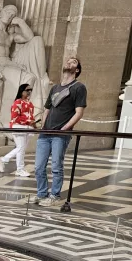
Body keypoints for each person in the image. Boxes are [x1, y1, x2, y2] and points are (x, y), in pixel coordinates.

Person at [35, 57, 86, 207]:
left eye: (73, 62)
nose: (69, 63)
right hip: (46, 133)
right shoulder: (55, 88)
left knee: (56, 166)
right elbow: (47, 109)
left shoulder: (78, 87)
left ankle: (55, 195)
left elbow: (79, 112)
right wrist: (44, 124)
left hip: (61, 134)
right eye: (68, 61)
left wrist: (65, 128)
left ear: (77, 70)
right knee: (39, 167)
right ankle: (41, 194)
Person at [0, 84, 36, 177]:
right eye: (27, 90)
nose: (29, 92)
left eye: (30, 90)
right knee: (21, 148)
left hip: (27, 128)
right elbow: (14, 117)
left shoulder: (29, 103)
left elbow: (30, 116)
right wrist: (28, 121)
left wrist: (33, 123)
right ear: (21, 91)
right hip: (18, 127)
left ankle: (4, 160)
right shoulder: (17, 102)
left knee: (21, 148)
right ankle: (19, 169)